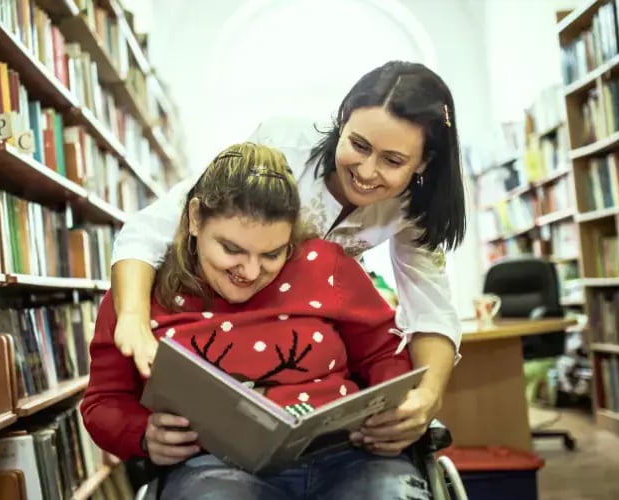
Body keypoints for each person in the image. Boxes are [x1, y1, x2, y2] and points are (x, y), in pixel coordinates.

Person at [110, 61, 467, 455]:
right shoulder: (280, 144)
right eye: (359, 145)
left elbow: (431, 306)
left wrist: (429, 397)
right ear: (342, 121)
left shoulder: (415, 205)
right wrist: (132, 319)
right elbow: (152, 230)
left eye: (393, 161)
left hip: (319, 351)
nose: (367, 171)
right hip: (234, 329)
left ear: (424, 163)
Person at [80, 143, 430, 500]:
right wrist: (143, 433)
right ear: (195, 218)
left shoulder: (326, 266)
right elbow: (103, 402)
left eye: (272, 254)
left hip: (349, 456)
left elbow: (385, 353)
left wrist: (394, 409)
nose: (249, 272)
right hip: (213, 467)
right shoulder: (141, 293)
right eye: (231, 250)